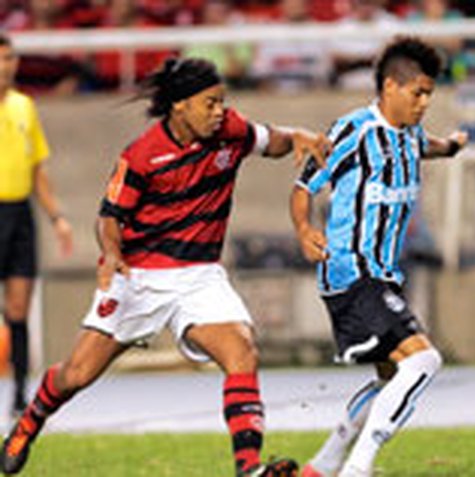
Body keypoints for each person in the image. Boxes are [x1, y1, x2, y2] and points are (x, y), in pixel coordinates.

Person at [1, 56, 329, 476]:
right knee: (76, 374)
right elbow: (109, 217)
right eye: (209, 103)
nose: (219, 112)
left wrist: (300, 136)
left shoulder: (230, 131)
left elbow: (271, 140)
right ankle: (28, 422)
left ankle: (248, 468)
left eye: (222, 102)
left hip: (200, 277)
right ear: (179, 105)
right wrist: (113, 255)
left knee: (241, 351)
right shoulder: (142, 155)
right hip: (137, 277)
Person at [291, 36, 467, 477]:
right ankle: (358, 468)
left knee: (391, 379)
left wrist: (453, 146)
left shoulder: (408, 134)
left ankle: (321, 466)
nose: (424, 102)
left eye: (429, 94)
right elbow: (304, 186)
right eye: (418, 93)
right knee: (424, 360)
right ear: (391, 86)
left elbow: (428, 145)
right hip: (353, 270)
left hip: (381, 274)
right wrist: (304, 228)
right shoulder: (353, 131)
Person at [0, 33, 73, 416]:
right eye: (0, 59)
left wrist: (57, 217)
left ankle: (18, 395)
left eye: (10, 58)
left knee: (18, 307)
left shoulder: (24, 107)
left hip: (20, 215)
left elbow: (37, 170)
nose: (6, 66)